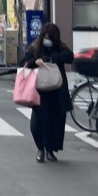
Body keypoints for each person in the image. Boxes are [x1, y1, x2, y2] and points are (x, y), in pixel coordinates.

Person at [22, 23, 74, 163]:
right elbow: (24, 63)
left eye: (50, 38)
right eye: (45, 37)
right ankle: (41, 148)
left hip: (57, 90)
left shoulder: (60, 48)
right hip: (40, 91)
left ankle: (51, 149)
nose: (47, 40)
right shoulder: (35, 47)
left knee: (56, 121)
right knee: (38, 122)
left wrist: (51, 59)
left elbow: (69, 56)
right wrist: (35, 62)